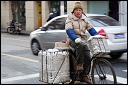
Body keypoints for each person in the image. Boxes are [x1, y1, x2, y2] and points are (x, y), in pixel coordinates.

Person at [65, 2, 98, 84]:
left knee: (88, 57)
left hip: (83, 41)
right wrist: (75, 38)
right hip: (73, 41)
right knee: (81, 44)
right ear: (74, 11)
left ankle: (84, 75)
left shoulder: (85, 18)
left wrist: (97, 36)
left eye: (79, 10)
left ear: (82, 11)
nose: (78, 11)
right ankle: (79, 64)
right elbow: (69, 30)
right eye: (76, 10)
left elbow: (91, 29)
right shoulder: (69, 18)